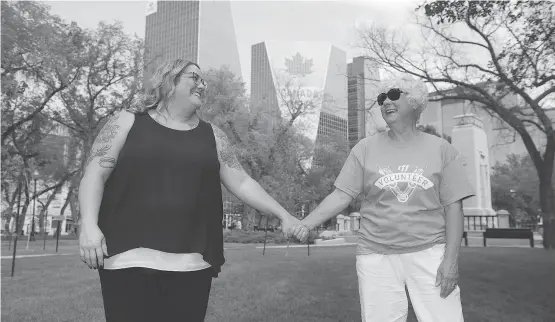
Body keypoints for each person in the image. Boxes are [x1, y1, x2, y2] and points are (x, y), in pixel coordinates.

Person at [78, 59, 302, 322]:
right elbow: (95, 173)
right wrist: (89, 225)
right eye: (194, 77)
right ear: (169, 81)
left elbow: (242, 181)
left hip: (191, 263)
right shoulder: (127, 122)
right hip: (128, 258)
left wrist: (283, 214)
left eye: (203, 80)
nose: (203, 84)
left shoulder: (213, 136)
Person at [292, 76, 474, 322]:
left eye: (394, 94)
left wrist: (451, 261)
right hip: (376, 255)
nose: (386, 101)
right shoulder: (365, 149)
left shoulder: (442, 150)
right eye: (381, 98)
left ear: (415, 101)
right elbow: (341, 194)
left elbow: (454, 208)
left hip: (430, 253)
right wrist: (306, 223)